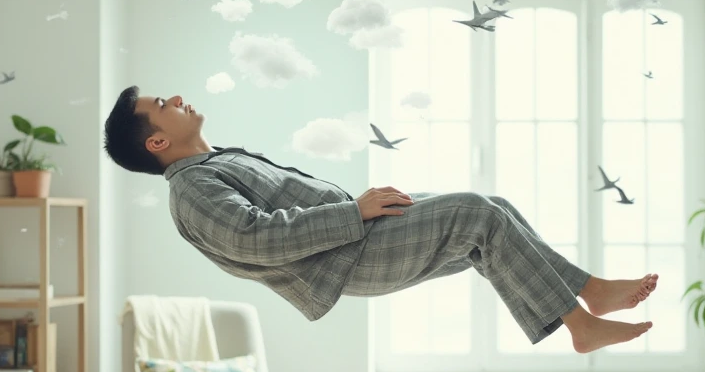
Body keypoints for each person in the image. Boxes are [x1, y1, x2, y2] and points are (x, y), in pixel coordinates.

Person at [103, 86, 658, 352]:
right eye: (161, 103)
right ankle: (581, 323)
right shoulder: (193, 190)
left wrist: (358, 210)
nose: (176, 96)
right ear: (157, 140)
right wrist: (354, 211)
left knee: (493, 215)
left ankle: (592, 293)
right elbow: (257, 240)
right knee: (474, 212)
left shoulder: (211, 163)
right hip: (346, 257)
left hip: (354, 237)